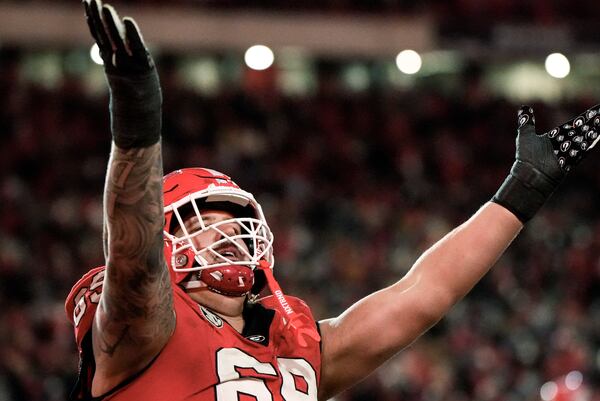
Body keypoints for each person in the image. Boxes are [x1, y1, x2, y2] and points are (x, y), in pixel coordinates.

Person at [65, 1, 600, 400]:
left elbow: (423, 294)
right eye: (205, 218)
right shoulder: (144, 329)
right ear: (168, 239)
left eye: (237, 218)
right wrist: (137, 124)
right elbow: (131, 263)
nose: (228, 230)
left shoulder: (296, 344)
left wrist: (521, 190)